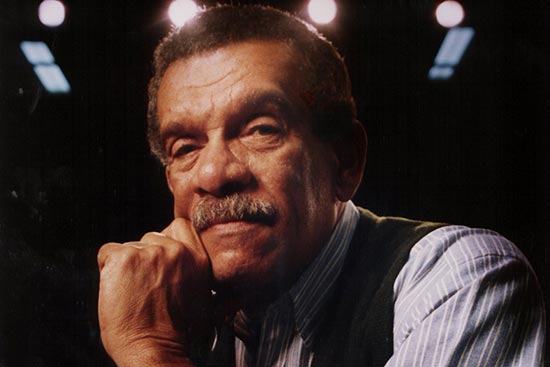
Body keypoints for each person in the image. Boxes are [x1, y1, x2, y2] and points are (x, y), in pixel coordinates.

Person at [97, 4, 545, 367]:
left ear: (345, 161)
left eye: (260, 129)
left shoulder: (460, 279)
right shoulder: (186, 312)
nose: (214, 174)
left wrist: (148, 350)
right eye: (185, 147)